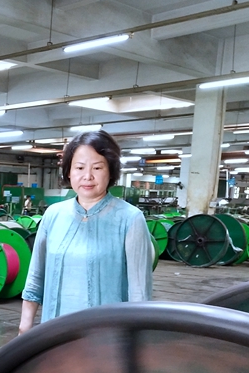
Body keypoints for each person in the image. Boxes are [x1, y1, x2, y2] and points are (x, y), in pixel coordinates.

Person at [19, 130, 153, 334]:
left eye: (97, 167)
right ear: (69, 171)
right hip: (53, 335)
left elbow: (139, 292)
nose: (87, 176)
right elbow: (36, 276)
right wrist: (25, 326)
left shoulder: (130, 218)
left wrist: (134, 340)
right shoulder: (53, 215)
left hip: (107, 338)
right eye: (79, 167)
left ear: (111, 171)